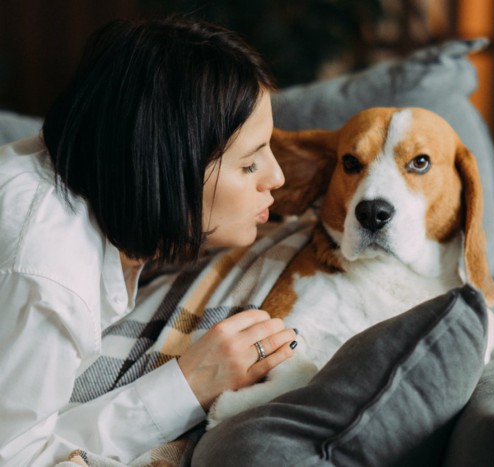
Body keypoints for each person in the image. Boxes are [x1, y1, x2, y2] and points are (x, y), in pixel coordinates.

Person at [0, 17, 299, 466]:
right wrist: (186, 386)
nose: (277, 177)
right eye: (250, 164)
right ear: (167, 168)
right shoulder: (48, 277)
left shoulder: (94, 179)